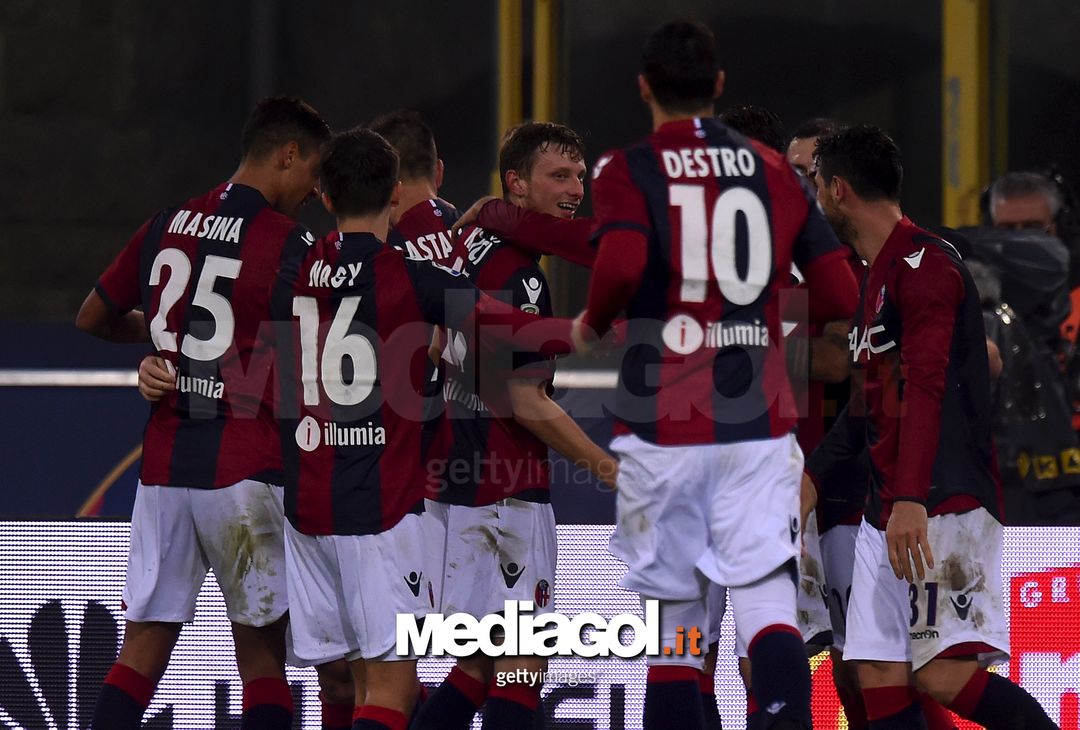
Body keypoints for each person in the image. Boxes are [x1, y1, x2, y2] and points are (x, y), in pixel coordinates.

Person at [572, 21, 859, 730]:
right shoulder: (775, 172)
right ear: (719, 85)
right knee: (767, 604)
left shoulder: (624, 169)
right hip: (757, 422)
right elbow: (842, 299)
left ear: (643, 86)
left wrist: (593, 321)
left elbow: (619, 268)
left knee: (674, 626)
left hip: (661, 421)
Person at [270, 126, 582, 730]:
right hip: (392, 502)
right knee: (403, 686)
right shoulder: (416, 274)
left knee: (366, 678)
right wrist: (587, 328)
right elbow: (500, 338)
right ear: (396, 194)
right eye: (561, 175)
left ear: (325, 197)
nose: (577, 187)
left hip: (309, 503)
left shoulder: (296, 266)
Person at [75, 96, 331, 729]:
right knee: (263, 662)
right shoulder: (291, 242)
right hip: (243, 467)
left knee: (142, 650)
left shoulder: (166, 224)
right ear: (287, 154)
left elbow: (92, 316)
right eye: (312, 172)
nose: (314, 190)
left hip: (164, 470)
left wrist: (162, 348)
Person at [810, 124, 1056, 729]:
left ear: (838, 190)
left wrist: (912, 498)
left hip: (939, 502)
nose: (814, 197)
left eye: (816, 185)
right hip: (886, 506)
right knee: (875, 671)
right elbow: (871, 403)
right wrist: (810, 479)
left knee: (942, 675)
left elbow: (925, 390)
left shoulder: (926, 266)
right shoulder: (877, 271)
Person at [413, 121, 618, 730]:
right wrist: (613, 471)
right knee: (522, 668)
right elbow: (525, 401)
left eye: (581, 176)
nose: (576, 188)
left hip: (456, 479)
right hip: (504, 489)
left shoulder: (468, 241)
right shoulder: (522, 276)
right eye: (560, 175)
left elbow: (431, 346)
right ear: (516, 184)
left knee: (480, 666)